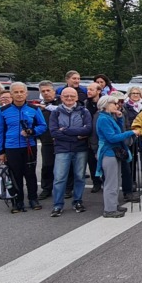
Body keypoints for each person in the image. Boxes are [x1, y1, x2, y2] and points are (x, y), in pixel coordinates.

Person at [0, 82, 48, 213]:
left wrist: (31, 131)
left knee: (30, 174)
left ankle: (33, 199)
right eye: (16, 92)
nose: (19, 95)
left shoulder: (34, 109)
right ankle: (17, 201)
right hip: (11, 147)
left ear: (26, 93)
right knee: (15, 175)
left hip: (29, 146)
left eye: (21, 92)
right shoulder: (3, 111)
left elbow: (43, 126)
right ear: (11, 94)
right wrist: (1, 151)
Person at [49, 87, 92, 217]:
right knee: (59, 178)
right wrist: (76, 134)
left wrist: (65, 130)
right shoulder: (55, 113)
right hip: (62, 149)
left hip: (80, 149)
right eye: (66, 96)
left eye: (72, 96)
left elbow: (88, 130)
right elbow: (54, 132)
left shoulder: (84, 112)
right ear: (61, 97)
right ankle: (57, 205)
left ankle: (78, 201)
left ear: (77, 97)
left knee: (79, 177)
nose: (69, 98)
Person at [95, 95, 140, 218]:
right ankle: (109, 209)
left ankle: (113, 205)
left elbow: (118, 132)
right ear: (106, 105)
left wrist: (120, 119)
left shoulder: (109, 117)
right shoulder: (103, 119)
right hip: (108, 152)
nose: (117, 105)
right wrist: (131, 132)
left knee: (115, 180)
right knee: (111, 182)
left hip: (114, 152)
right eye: (114, 103)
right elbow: (112, 138)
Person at [35, 81, 66, 200]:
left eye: (48, 90)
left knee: (65, 165)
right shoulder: (39, 106)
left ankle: (67, 188)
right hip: (47, 140)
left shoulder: (62, 102)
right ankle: (46, 188)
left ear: (54, 91)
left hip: (62, 140)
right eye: (43, 91)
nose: (46, 93)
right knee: (47, 165)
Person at [85, 82, 103, 193]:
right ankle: (96, 182)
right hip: (89, 136)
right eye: (88, 89)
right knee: (91, 161)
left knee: (103, 160)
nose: (88, 91)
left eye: (91, 89)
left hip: (102, 135)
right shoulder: (86, 103)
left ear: (99, 91)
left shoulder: (104, 103)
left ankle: (106, 181)